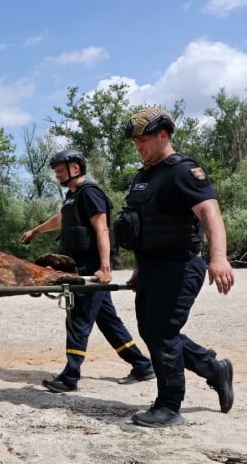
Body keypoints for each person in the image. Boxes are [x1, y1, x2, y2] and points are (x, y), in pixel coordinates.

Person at [118, 106, 235, 428]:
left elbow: (210, 213)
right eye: (135, 141)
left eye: (143, 139)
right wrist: (140, 268)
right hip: (153, 266)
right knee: (153, 331)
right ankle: (214, 369)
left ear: (164, 136)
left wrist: (219, 257)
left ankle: (169, 405)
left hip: (181, 264)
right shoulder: (144, 176)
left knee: (162, 331)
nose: (138, 146)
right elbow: (140, 227)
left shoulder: (183, 171)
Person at [20, 149, 154, 393]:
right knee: (108, 321)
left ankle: (70, 375)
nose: (57, 174)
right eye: (56, 170)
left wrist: (104, 268)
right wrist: (36, 231)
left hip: (90, 267)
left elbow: (102, 229)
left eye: (61, 169)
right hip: (79, 264)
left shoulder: (89, 193)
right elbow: (61, 219)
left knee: (78, 319)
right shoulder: (72, 197)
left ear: (76, 168)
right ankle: (142, 365)